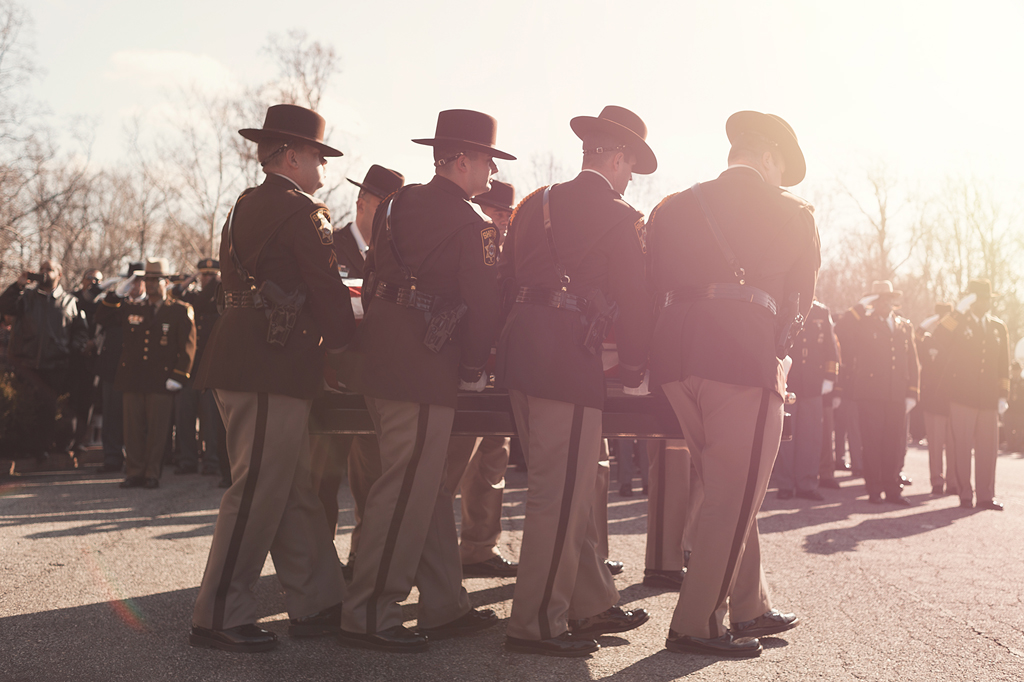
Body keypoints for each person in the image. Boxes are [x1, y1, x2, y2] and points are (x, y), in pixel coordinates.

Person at [335, 109, 508, 652]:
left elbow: (373, 277)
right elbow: (482, 306)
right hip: (426, 366)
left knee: (425, 488)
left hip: (381, 358)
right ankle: (368, 612)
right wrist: (476, 369)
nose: (489, 172)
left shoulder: (395, 203)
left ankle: (444, 603)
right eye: (484, 160)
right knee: (405, 489)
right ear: (460, 160)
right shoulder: (473, 223)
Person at [647, 110, 817, 658]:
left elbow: (650, 284)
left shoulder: (672, 206)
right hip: (744, 358)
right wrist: (779, 355)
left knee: (726, 485)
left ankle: (750, 605)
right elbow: (798, 306)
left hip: (675, 357)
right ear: (768, 157)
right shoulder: (795, 213)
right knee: (733, 493)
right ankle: (696, 623)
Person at [189, 104, 356, 653]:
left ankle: (318, 599)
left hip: (243, 356)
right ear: (290, 156)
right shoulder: (304, 212)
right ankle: (218, 613)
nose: (323, 170)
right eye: (316, 157)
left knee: (289, 488)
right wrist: (352, 347)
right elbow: (329, 295)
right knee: (259, 487)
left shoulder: (242, 206)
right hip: (269, 365)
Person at [496, 105, 655, 657]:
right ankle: (537, 623)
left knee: (567, 490)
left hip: (521, 355)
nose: (631, 176)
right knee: (557, 497)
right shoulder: (620, 215)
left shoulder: (534, 204)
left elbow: (505, 281)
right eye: (630, 164)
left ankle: (586, 601)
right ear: (616, 157)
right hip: (570, 362)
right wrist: (634, 370)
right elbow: (635, 304)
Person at [308, 163, 404, 576]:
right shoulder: (329, 243)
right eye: (386, 206)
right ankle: (316, 566)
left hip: (374, 380)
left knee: (372, 478)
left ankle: (363, 561)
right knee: (321, 481)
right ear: (363, 202)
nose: (392, 216)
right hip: (329, 379)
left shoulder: (397, 250)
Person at [445, 179, 519, 579]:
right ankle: (431, 555)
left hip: (498, 370)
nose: (502, 220)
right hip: (464, 367)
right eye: (495, 210)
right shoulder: (465, 237)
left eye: (507, 214)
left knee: (493, 460)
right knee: (453, 464)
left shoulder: (511, 252)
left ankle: (478, 547)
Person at [95, 258, 196, 489]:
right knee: (133, 430)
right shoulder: (132, 307)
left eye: (155, 280)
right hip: (132, 379)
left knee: (157, 431)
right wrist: (117, 294)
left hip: (162, 381)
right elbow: (101, 317)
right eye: (146, 280)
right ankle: (134, 472)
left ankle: (152, 473)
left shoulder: (179, 310)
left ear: (166, 282)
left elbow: (188, 347)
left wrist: (179, 376)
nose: (150, 284)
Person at [835, 280, 920, 506]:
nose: (885, 304)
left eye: (888, 299)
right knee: (872, 443)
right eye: (879, 299)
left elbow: (913, 360)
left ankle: (893, 489)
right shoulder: (863, 323)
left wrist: (913, 391)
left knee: (894, 442)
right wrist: (860, 306)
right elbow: (840, 330)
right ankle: (874, 489)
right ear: (874, 301)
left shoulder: (903, 325)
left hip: (896, 394)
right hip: (870, 394)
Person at [931, 279, 1010, 510]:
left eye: (988, 299)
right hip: (962, 396)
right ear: (973, 301)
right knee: (962, 447)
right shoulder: (959, 322)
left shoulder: (998, 327)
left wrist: (1003, 394)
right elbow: (938, 337)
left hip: (988, 399)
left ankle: (986, 495)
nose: (986, 303)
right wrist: (957, 311)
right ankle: (965, 493)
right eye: (981, 299)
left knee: (988, 449)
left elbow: (1003, 364)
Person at [0, 259, 88, 462]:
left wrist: (71, 350)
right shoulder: (27, 297)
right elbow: (4, 306)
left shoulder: (69, 302)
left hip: (55, 366)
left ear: (59, 274)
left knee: (48, 410)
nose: (44, 273)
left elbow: (80, 332)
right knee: (25, 408)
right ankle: (22, 450)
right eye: (41, 269)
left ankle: (43, 450)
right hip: (27, 364)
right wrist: (18, 285)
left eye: (49, 269)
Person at [775, 300, 839, 501]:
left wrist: (830, 378)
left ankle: (807, 484)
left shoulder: (821, 311)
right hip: (788, 381)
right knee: (785, 436)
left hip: (813, 383)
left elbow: (831, 348)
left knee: (811, 437)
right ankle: (784, 484)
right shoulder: (783, 305)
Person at [171, 259, 224, 477]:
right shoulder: (191, 298)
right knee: (185, 417)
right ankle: (188, 460)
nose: (207, 280)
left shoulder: (221, 301)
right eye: (204, 275)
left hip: (211, 370)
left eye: (211, 276)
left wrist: (218, 283)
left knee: (211, 420)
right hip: (190, 370)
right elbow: (174, 294)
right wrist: (191, 278)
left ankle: (211, 462)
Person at [95, 263, 146, 473]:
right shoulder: (117, 303)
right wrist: (115, 295)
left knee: (138, 417)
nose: (134, 285)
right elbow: (100, 317)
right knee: (112, 415)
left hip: (140, 370)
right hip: (114, 369)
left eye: (138, 280)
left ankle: (138, 460)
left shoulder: (151, 305)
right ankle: (113, 457)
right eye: (130, 280)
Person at [918, 303, 957, 496]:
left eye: (946, 317)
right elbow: (914, 342)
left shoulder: (956, 339)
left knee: (954, 444)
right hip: (933, 401)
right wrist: (926, 324)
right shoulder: (928, 340)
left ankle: (953, 481)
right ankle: (936, 481)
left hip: (952, 400)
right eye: (940, 317)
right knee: (935, 445)